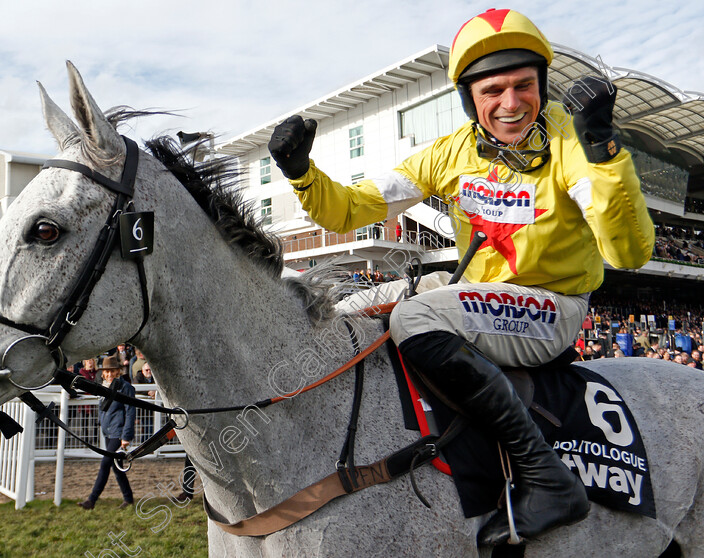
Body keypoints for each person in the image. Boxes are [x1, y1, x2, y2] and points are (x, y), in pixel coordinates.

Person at [268, 8, 653, 545]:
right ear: (470, 98)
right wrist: (301, 174)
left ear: (542, 86)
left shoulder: (571, 146)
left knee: (412, 316)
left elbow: (629, 252)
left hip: (551, 305)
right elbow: (352, 208)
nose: (511, 103)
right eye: (493, 90)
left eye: (524, 86)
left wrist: (605, 153)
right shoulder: (451, 152)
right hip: (474, 295)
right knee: (349, 311)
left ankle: (546, 479)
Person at [78, 355, 136, 510]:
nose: (109, 374)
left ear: (118, 371)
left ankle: (92, 500)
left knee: (105, 463)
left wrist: (126, 436)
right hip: (107, 431)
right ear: (103, 373)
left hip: (118, 432)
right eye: (107, 371)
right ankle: (128, 498)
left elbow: (130, 412)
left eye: (112, 371)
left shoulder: (126, 388)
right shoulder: (103, 386)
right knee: (116, 467)